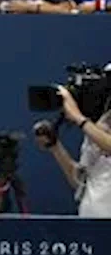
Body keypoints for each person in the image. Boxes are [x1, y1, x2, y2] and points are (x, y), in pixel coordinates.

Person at [33, 86, 111, 218]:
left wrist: (78, 118)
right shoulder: (96, 127)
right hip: (90, 226)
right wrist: (55, 147)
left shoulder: (88, 126)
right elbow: (80, 182)